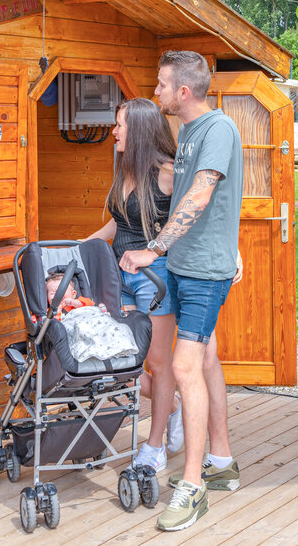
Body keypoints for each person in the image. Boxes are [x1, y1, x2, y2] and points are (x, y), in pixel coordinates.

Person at [120, 51, 242, 533]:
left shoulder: (217, 130)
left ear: (183, 92)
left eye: (161, 85)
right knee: (204, 360)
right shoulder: (189, 132)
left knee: (184, 366)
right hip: (185, 265)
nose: (157, 92)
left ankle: (191, 487)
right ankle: (221, 461)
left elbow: (202, 194)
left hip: (202, 272)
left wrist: (154, 249)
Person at [85, 98, 183, 475]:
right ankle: (171, 406)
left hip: (153, 281)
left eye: (120, 125)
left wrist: (233, 250)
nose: (114, 131)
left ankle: (154, 446)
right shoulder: (124, 169)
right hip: (117, 277)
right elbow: (118, 225)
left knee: (157, 363)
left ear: (140, 130)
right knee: (122, 361)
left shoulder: (168, 173)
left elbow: (193, 222)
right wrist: (80, 246)